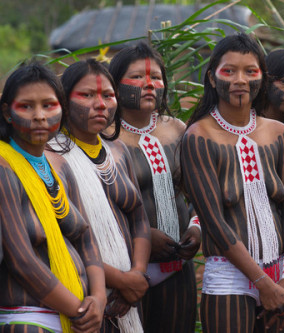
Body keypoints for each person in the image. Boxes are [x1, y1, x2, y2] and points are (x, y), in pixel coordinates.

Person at [181, 33, 284, 333]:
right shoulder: (199, 137)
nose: (240, 79)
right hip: (228, 280)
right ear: (211, 78)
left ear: (262, 76)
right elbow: (214, 222)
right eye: (229, 71)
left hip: (281, 272)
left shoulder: (277, 133)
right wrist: (263, 283)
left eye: (251, 71)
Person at [0, 63, 106, 332]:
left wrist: (99, 299)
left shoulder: (58, 165)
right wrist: (81, 311)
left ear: (63, 110)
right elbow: (20, 260)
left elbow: (86, 237)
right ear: (7, 113)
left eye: (49, 105)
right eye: (26, 106)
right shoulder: (3, 168)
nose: (39, 116)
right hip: (30, 319)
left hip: (80, 314)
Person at [50, 59, 151, 333]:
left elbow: (139, 218)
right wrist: (120, 280)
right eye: (87, 95)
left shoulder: (118, 151)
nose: (101, 104)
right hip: (84, 294)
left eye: (108, 95)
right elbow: (61, 238)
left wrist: (137, 275)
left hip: (130, 295)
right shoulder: (52, 158)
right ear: (64, 103)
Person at [109, 42, 200, 333]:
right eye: (136, 77)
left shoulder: (177, 129)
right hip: (128, 271)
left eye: (156, 77)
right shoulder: (104, 139)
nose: (149, 84)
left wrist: (196, 228)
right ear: (115, 85)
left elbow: (198, 194)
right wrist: (144, 235)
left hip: (179, 268)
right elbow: (96, 209)